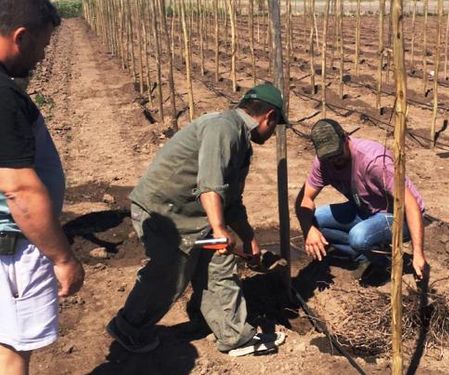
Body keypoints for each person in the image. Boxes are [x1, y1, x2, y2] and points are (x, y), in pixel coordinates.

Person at [106, 84, 287, 356]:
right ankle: (128, 326)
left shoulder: (239, 140)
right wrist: (218, 228)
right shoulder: (224, 128)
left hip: (191, 214)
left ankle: (233, 335)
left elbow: (231, 201)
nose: (273, 134)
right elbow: (210, 186)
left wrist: (248, 239)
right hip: (163, 212)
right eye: (275, 126)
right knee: (171, 273)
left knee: (219, 262)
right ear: (269, 116)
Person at [0, 1, 85, 374]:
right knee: (12, 351)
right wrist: (62, 258)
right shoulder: (3, 98)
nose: (42, 56)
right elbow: (19, 189)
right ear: (21, 37)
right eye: (42, 46)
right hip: (12, 250)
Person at [295, 119, 427, 285]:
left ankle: (386, 265)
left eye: (337, 154)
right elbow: (304, 198)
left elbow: (411, 204)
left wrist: (418, 253)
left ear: (345, 138)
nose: (335, 160)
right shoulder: (323, 163)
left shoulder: (373, 161)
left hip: (400, 217)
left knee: (358, 237)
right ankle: (365, 257)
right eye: (329, 157)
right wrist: (308, 230)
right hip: (365, 208)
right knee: (315, 219)